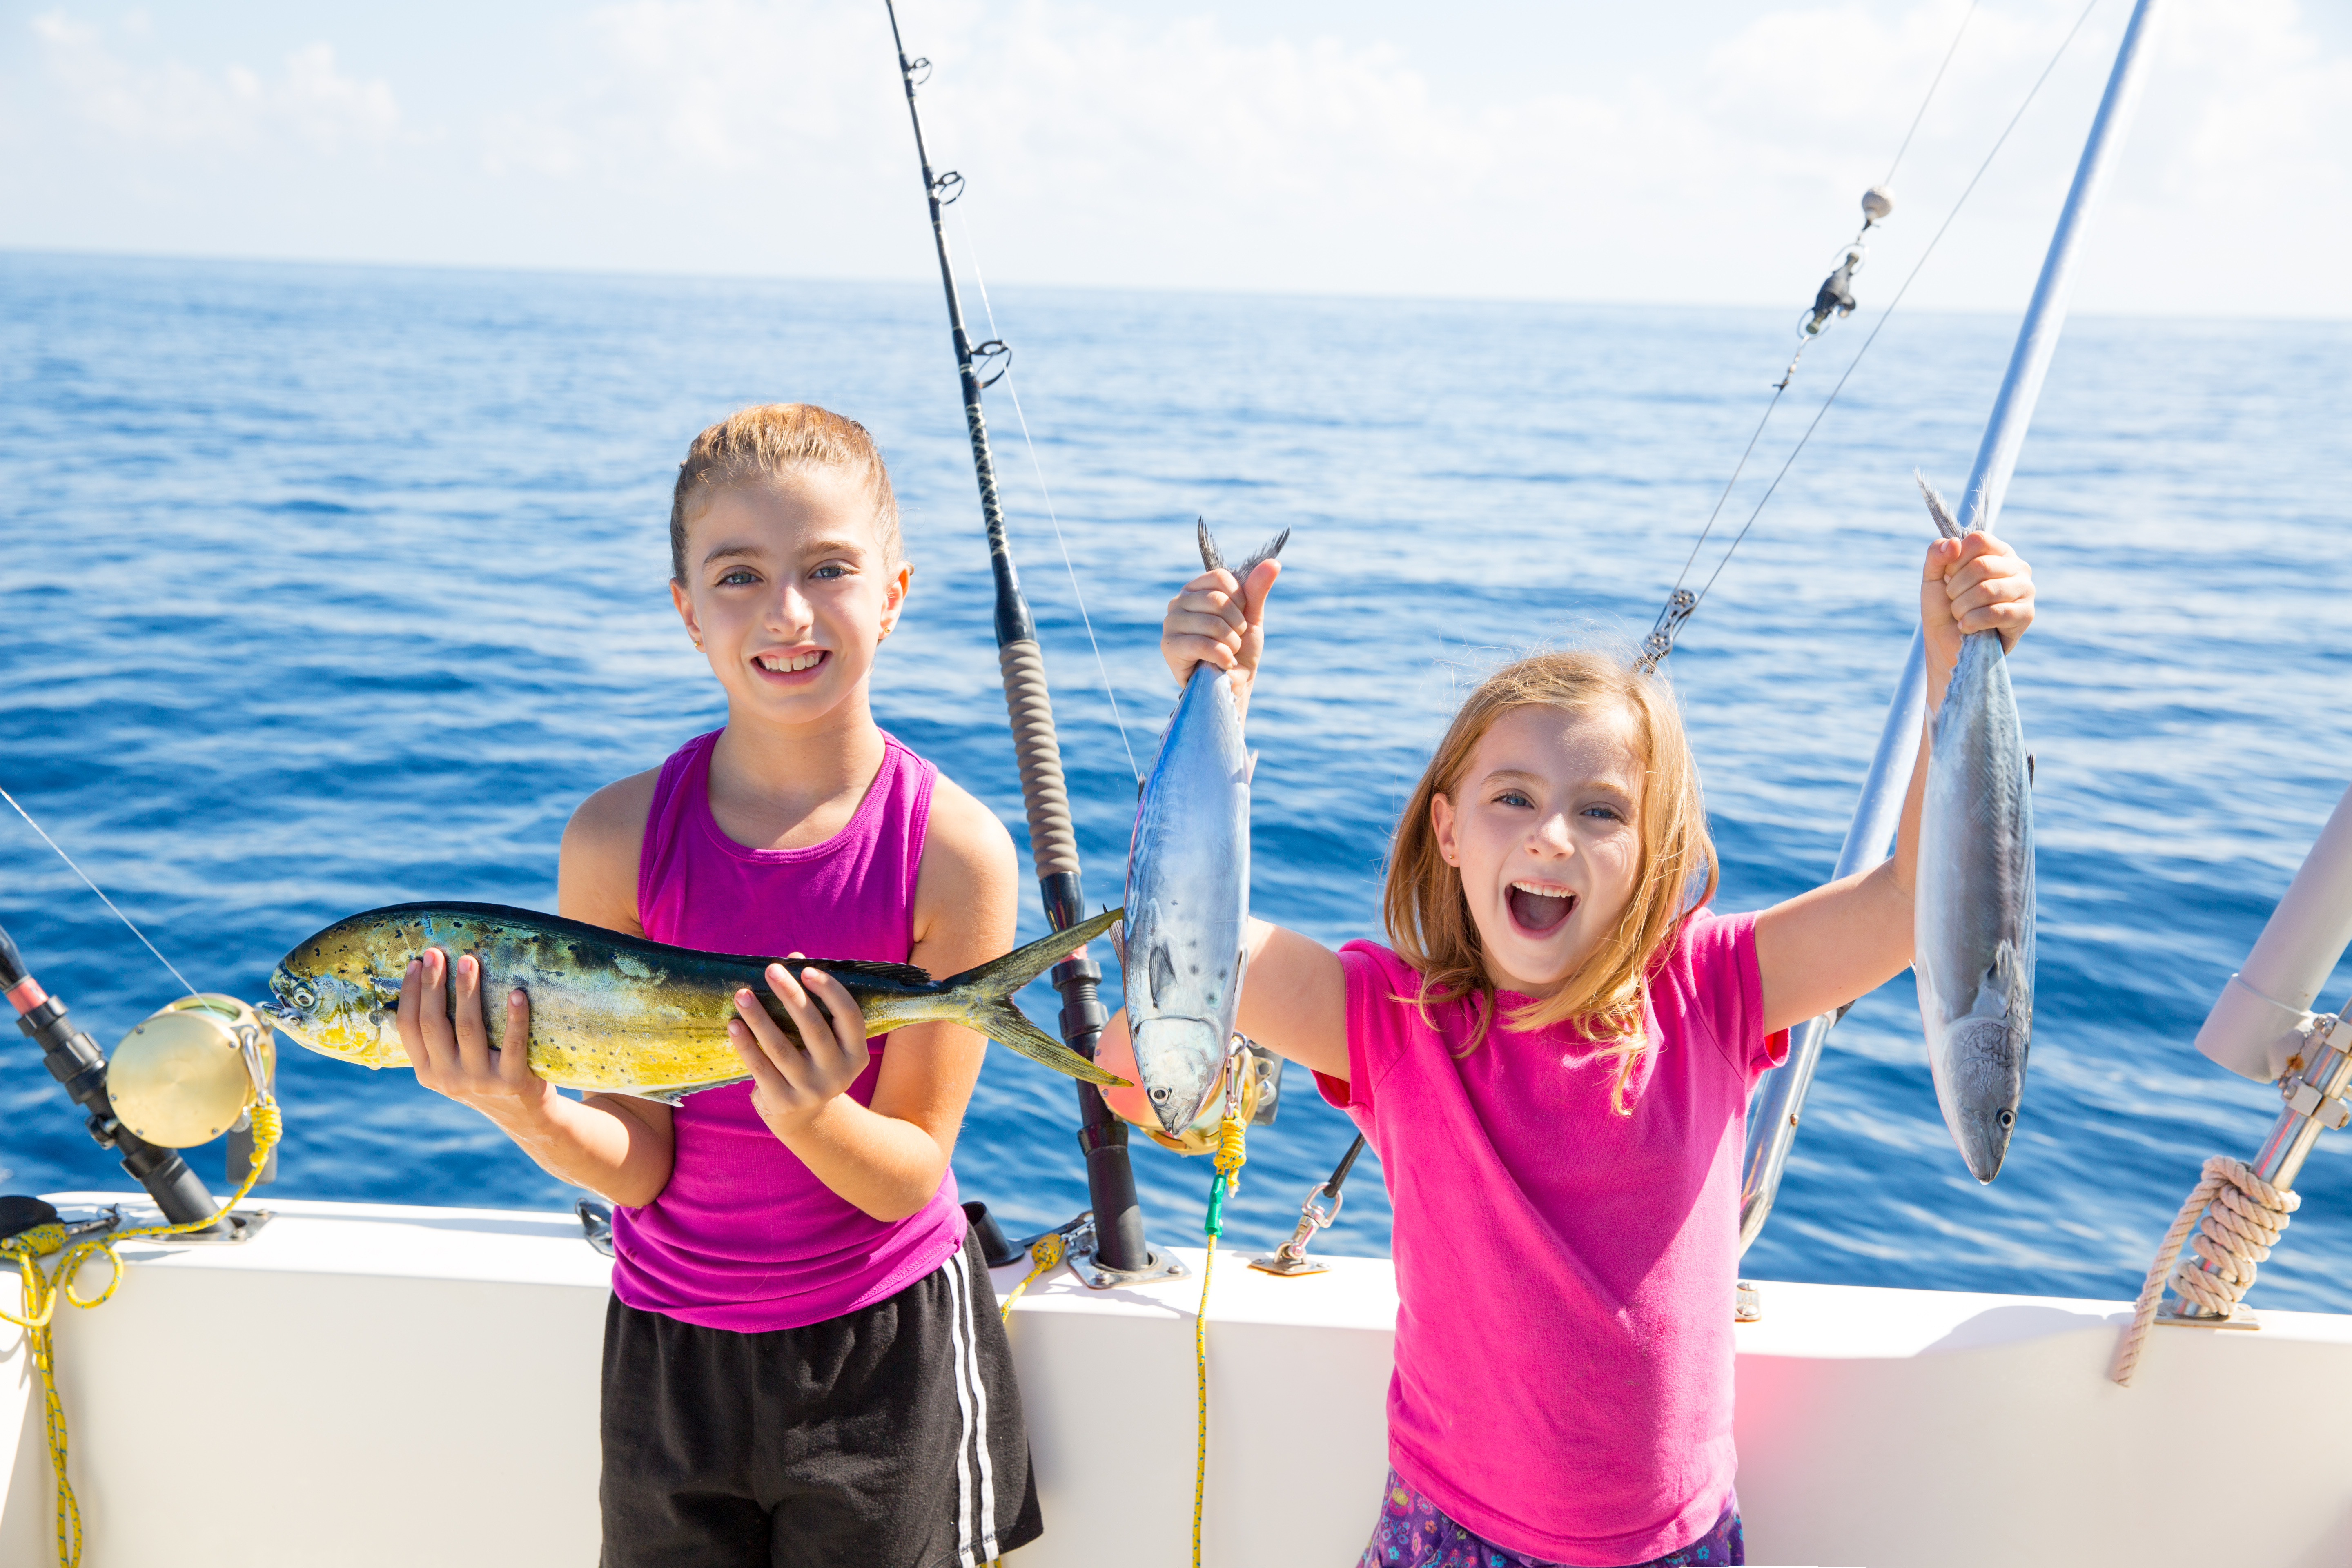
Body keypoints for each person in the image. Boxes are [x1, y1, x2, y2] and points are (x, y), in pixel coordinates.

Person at [1113, 527, 2035, 1567]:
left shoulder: (1715, 990)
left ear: (1656, 855)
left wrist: (1956, 663)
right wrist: (1213, 701)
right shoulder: (1392, 1018)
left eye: (1600, 810)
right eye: (1513, 797)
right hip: (1448, 1531)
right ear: (1448, 829)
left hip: (1676, 1544)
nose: (1551, 834)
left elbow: (1914, 900)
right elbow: (1179, 965)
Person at [394, 403, 1043, 1568]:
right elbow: (641, 1159)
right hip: (667, 1349)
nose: (787, 613)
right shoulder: (614, 839)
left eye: (829, 569)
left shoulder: (955, 852)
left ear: (894, 592)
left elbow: (905, 1179)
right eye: (739, 576)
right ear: (687, 610)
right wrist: (523, 1104)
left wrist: (812, 1112)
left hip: (882, 1351)